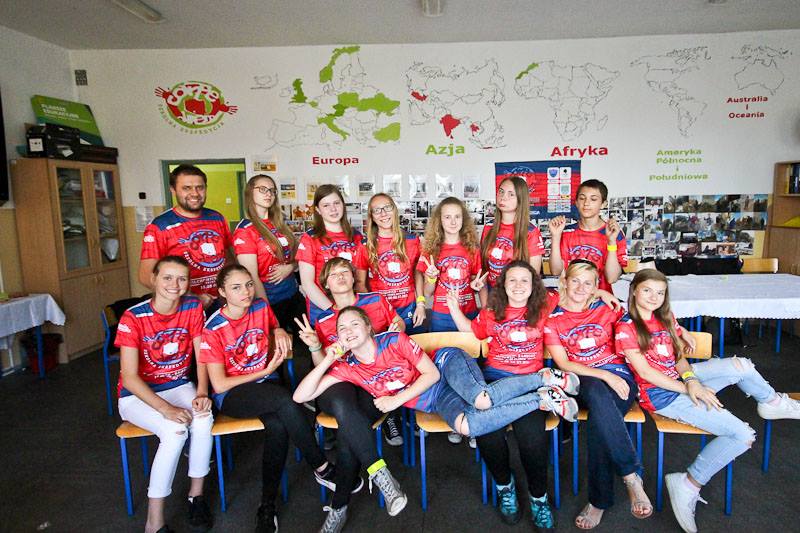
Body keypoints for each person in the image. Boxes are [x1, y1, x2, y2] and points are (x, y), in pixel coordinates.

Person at [294, 306, 581, 532]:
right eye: (342, 328)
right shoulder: (348, 367)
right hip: (436, 399)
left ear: (368, 327)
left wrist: (395, 400)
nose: (348, 331)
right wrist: (328, 358)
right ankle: (544, 398)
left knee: (481, 400)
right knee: (466, 426)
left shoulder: (392, 340)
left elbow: (430, 374)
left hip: (445, 367)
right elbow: (300, 396)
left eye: (354, 324)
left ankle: (542, 378)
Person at [616, 269, 800, 533]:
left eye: (660, 292)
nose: (654, 297)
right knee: (743, 436)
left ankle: (771, 402)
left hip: (680, 380)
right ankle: (688, 483)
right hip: (661, 394)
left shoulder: (665, 317)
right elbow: (646, 373)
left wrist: (692, 379)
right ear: (634, 291)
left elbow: (678, 359)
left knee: (742, 365)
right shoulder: (626, 327)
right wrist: (690, 388)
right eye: (647, 290)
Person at [199, 265, 336, 533]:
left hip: (267, 385)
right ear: (222, 292)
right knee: (286, 401)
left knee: (278, 425)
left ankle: (267, 506)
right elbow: (219, 383)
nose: (246, 292)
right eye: (236, 287)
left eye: (249, 284)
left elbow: (273, 325)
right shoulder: (213, 328)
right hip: (234, 393)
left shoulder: (261, 307)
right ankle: (321, 466)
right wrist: (263, 372)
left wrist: (279, 330)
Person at [447, 260, 572, 529]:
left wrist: (603, 292)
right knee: (487, 434)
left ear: (533, 285)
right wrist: (453, 307)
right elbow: (471, 330)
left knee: (532, 440)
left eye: (524, 280)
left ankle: (538, 497)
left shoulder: (545, 305)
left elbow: (574, 292)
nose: (518, 285)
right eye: (512, 280)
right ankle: (505, 486)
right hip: (495, 383)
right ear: (503, 285)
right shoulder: (492, 312)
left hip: (530, 384)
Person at [544, 260, 651, 529]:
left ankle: (599, 502)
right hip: (583, 380)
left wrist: (679, 331)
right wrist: (605, 375)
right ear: (565, 281)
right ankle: (631, 475)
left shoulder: (608, 308)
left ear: (595, 287)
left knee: (598, 421)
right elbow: (564, 363)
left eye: (588, 283)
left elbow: (644, 321)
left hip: (621, 380)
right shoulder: (553, 318)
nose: (581, 288)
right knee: (595, 390)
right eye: (575, 281)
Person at [115, 256, 213, 533]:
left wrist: (202, 391)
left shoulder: (193, 306)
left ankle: (196, 496)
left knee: (203, 418)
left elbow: (202, 354)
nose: (175, 284)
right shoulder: (133, 317)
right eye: (167, 277)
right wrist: (165, 409)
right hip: (136, 396)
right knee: (174, 431)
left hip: (178, 384)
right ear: (154, 279)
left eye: (182, 278)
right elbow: (130, 377)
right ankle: (154, 522)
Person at [139, 164, 232, 309]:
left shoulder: (217, 218)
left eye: (200, 187)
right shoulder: (159, 226)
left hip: (223, 302)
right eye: (186, 188)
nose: (195, 193)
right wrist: (190, 298)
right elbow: (146, 276)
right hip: (185, 306)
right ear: (173, 190)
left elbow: (227, 257)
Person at [234, 174, 304, 329]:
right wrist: (268, 314)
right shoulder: (245, 230)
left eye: (272, 190)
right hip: (271, 301)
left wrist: (290, 267)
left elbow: (298, 256)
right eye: (263, 189)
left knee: (305, 340)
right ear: (250, 192)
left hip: (293, 295)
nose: (269, 194)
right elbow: (251, 277)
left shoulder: (279, 224)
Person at [296, 184, 367, 327]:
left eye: (336, 203)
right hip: (323, 309)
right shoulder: (310, 238)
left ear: (343, 205)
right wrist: (333, 310)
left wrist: (356, 308)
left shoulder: (357, 236)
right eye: (326, 205)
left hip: (354, 308)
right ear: (318, 210)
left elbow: (361, 278)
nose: (333, 209)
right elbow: (307, 283)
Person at [417, 197, 487, 333]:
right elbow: (427, 292)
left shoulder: (473, 249)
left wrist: (476, 285)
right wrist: (431, 278)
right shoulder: (430, 250)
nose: (453, 222)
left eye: (457, 217)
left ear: (463, 219)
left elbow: (476, 282)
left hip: (468, 313)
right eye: (447, 217)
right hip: (441, 316)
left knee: (470, 347)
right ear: (440, 220)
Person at [548, 179, 626, 293]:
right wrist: (555, 236)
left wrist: (611, 242)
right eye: (582, 198)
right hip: (572, 298)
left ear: (603, 204)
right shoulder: (566, 232)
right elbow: (556, 271)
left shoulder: (614, 233)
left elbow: (612, 278)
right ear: (576, 202)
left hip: (600, 299)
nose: (586, 203)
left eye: (593, 199)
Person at [364, 193, 425, 332]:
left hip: (410, 310)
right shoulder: (365, 245)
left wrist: (421, 304)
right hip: (380, 312)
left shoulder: (412, 240)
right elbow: (361, 284)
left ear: (395, 210)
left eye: (387, 207)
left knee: (415, 345)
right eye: (377, 210)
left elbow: (418, 274)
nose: (383, 213)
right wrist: (370, 311)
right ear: (371, 216)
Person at [481, 176, 545, 288]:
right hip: (492, 291)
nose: (503, 197)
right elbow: (483, 270)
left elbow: (533, 277)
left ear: (521, 199)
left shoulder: (531, 232)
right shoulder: (488, 227)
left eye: (511, 194)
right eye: (501, 192)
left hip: (517, 292)